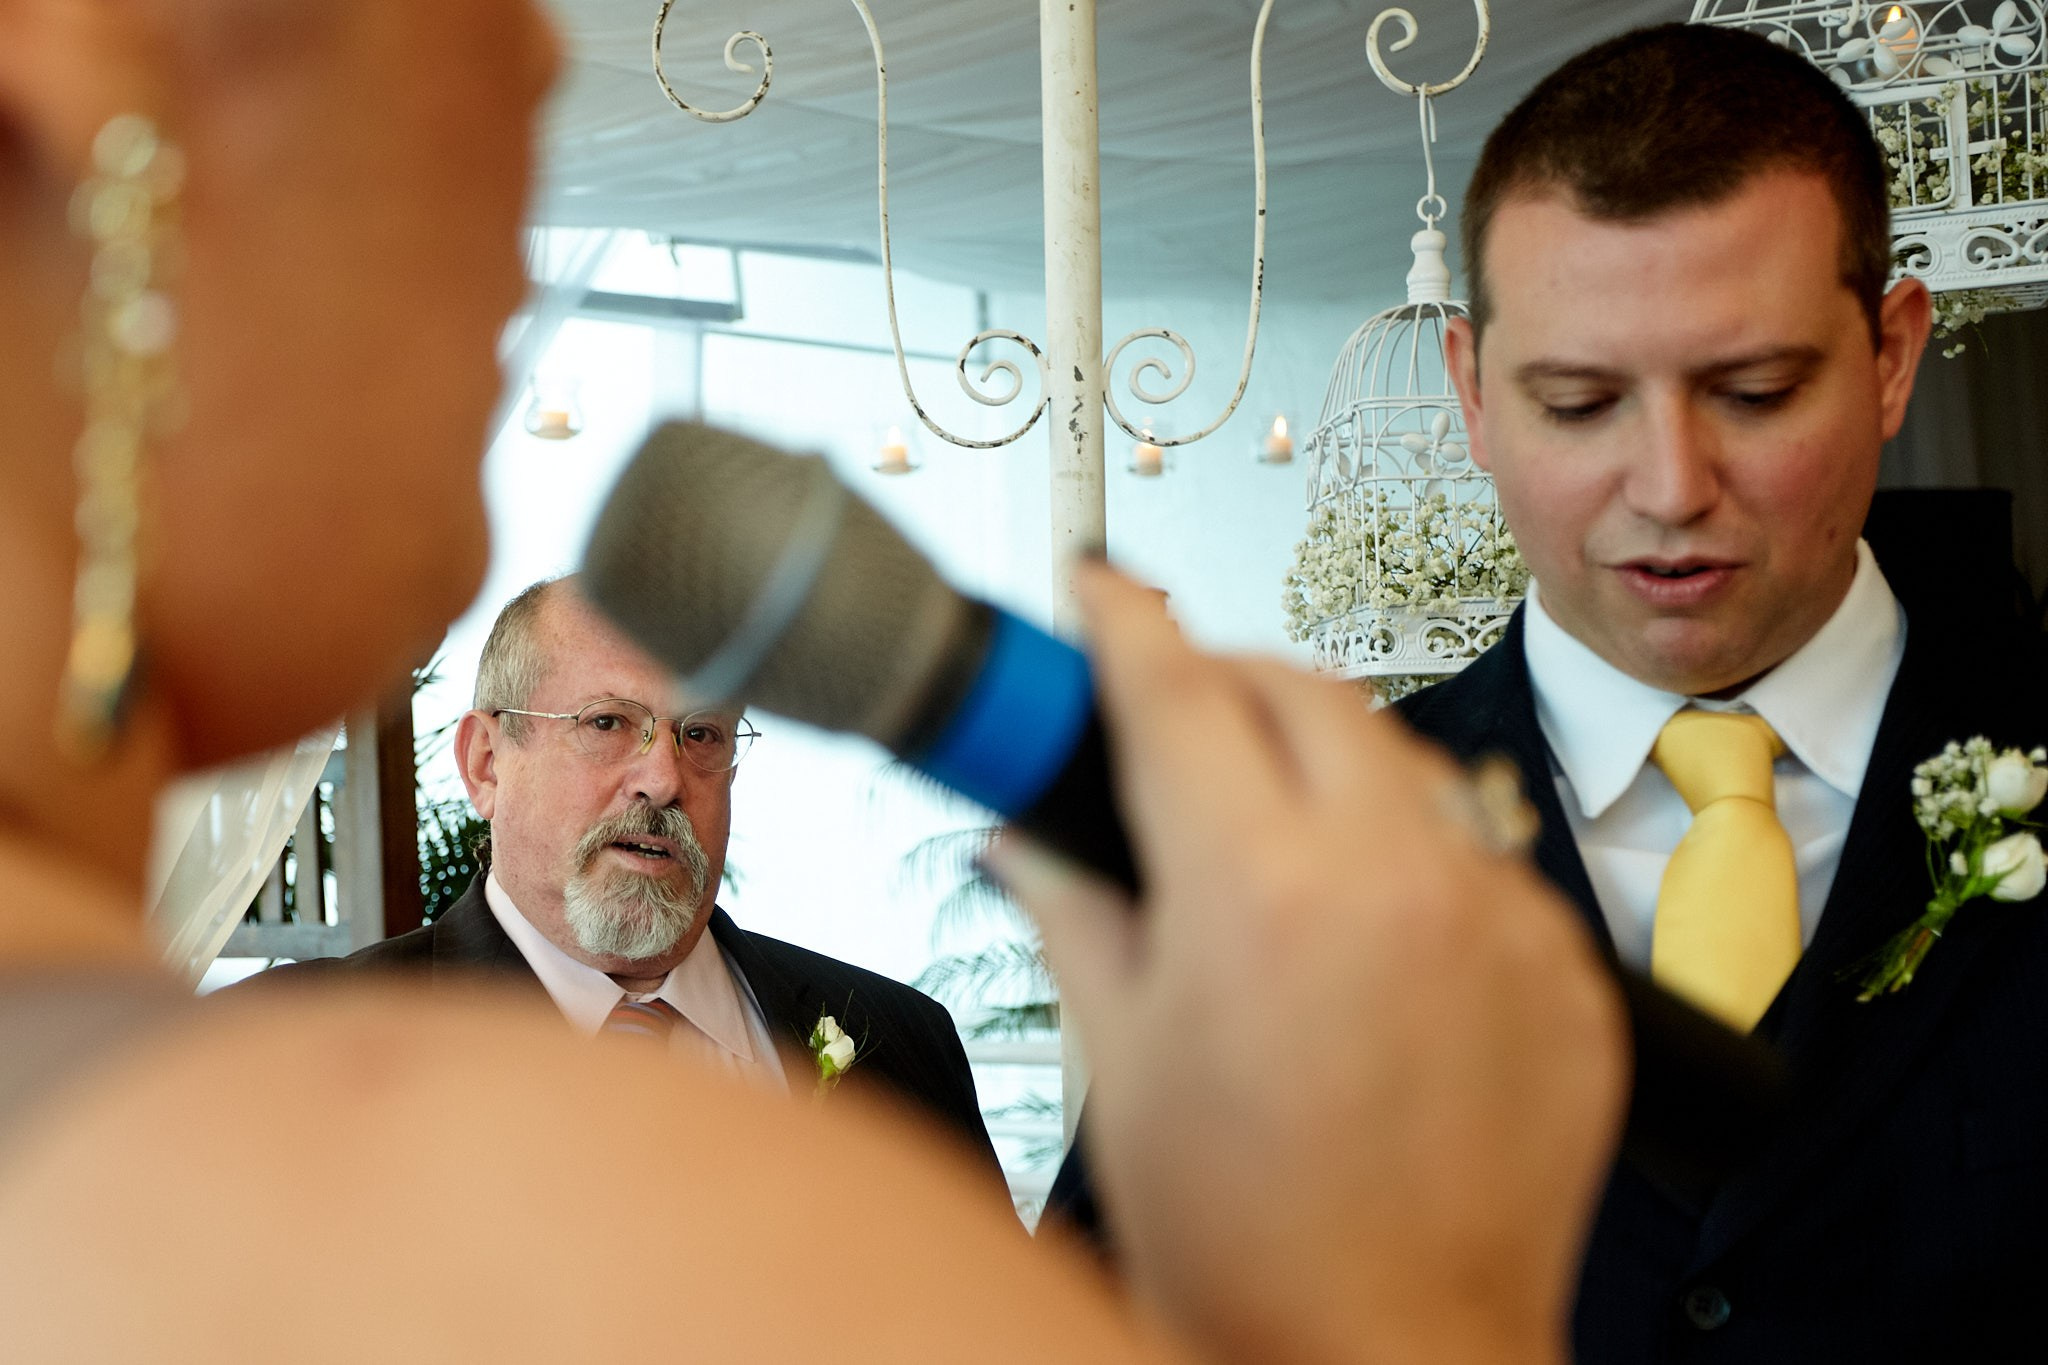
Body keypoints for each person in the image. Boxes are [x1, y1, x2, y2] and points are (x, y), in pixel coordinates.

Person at [0, 0, 1626, 1359]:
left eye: (700, 733)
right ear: (88, 83)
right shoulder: (297, 1167)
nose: (543, 59)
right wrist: (1398, 1275)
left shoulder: (883, 1042)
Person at [1056, 20, 2048, 1358]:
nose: (1671, 485)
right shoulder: (1302, 859)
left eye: (1753, 392)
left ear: (1888, 355)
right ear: (1470, 389)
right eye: (1579, 404)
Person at [252, 578, 1002, 1177]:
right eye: (607, 723)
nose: (663, 777)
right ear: (486, 762)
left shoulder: (907, 1044)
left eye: (700, 733)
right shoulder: (300, 1046)